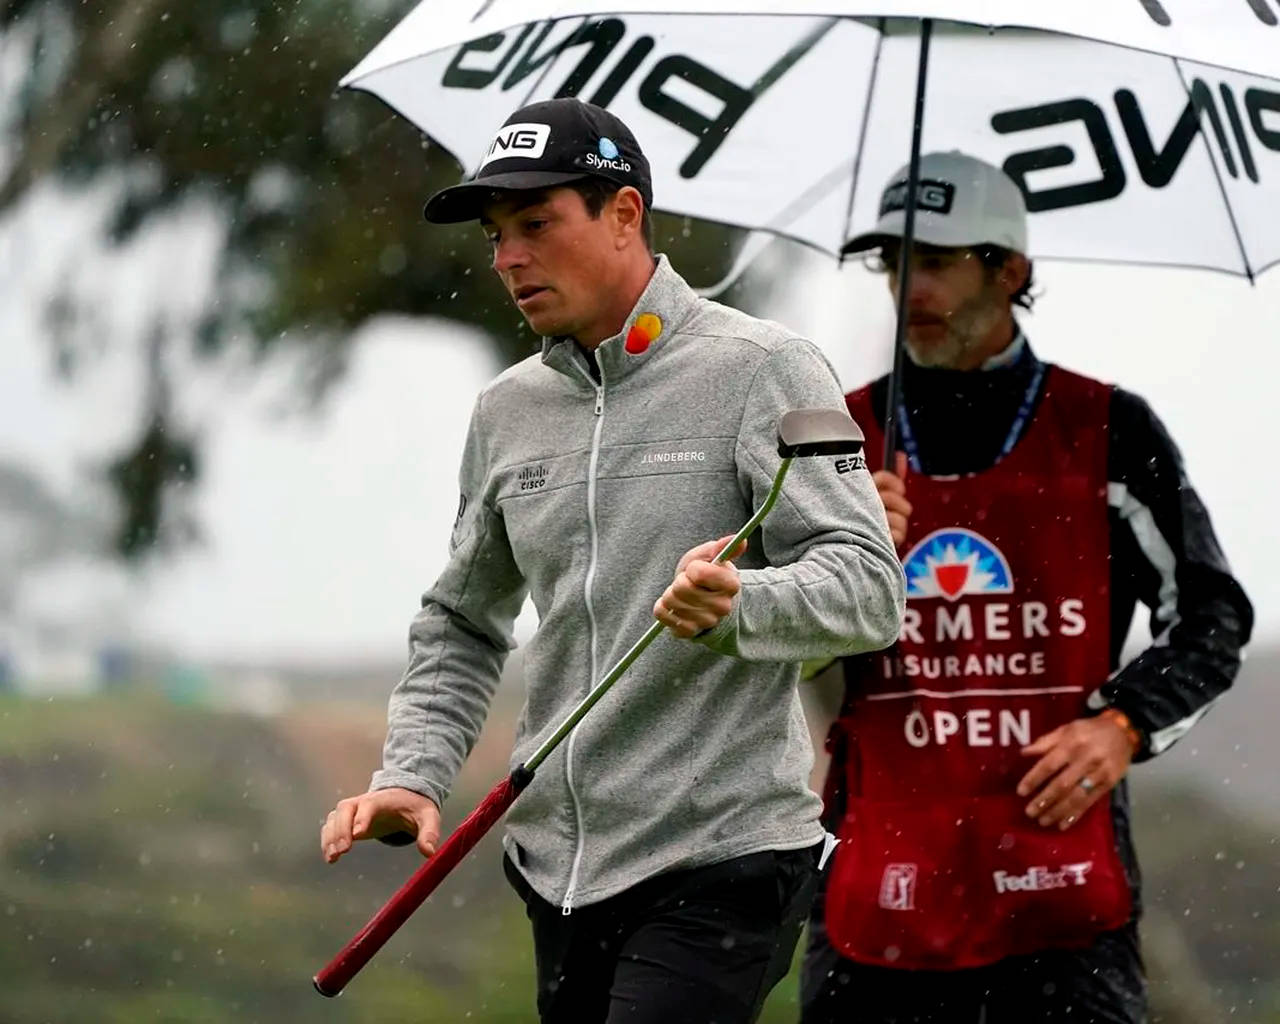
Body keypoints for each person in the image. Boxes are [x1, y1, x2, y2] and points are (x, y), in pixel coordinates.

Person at [319, 98, 906, 1024]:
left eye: (537, 225)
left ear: (625, 215)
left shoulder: (769, 368)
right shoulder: (506, 413)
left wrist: (739, 604)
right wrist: (412, 773)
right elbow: (462, 621)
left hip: (725, 854)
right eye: (497, 236)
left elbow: (870, 589)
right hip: (558, 871)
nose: (509, 258)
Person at [801, 152, 1254, 1024]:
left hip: (1059, 891)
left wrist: (1123, 725)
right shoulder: (839, 435)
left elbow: (1211, 615)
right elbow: (768, 640)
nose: (908, 288)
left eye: (933, 261)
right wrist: (847, 551)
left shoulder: (1111, 428)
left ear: (1010, 270)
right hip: (876, 890)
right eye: (892, 264)